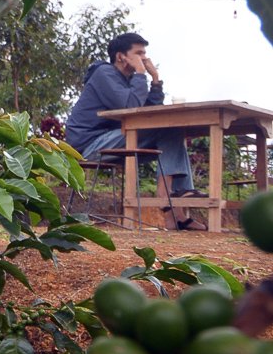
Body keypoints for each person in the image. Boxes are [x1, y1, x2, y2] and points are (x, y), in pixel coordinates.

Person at [65, 32, 205, 230]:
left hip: (115, 139)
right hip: (88, 146)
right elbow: (130, 106)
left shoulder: (128, 80)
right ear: (121, 56)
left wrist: (155, 80)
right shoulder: (104, 74)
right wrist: (141, 74)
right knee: (168, 130)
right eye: (139, 53)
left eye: (145, 54)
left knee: (172, 130)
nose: (144, 58)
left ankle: (176, 212)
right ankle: (168, 201)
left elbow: (147, 112)